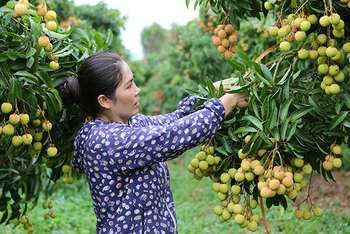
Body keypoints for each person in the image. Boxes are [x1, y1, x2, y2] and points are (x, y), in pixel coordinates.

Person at [59, 51, 248, 234]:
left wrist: (211, 91)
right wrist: (227, 103)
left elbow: (175, 120)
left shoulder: (132, 124)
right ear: (104, 100)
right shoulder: (105, 141)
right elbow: (172, 137)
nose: (137, 90)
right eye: (129, 85)